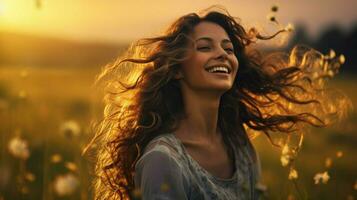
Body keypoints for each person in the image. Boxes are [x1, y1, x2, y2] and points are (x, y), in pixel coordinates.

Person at [91, 7, 349, 200]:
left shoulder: (240, 147)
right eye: (205, 47)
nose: (223, 54)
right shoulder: (163, 161)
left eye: (228, 48)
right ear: (177, 70)